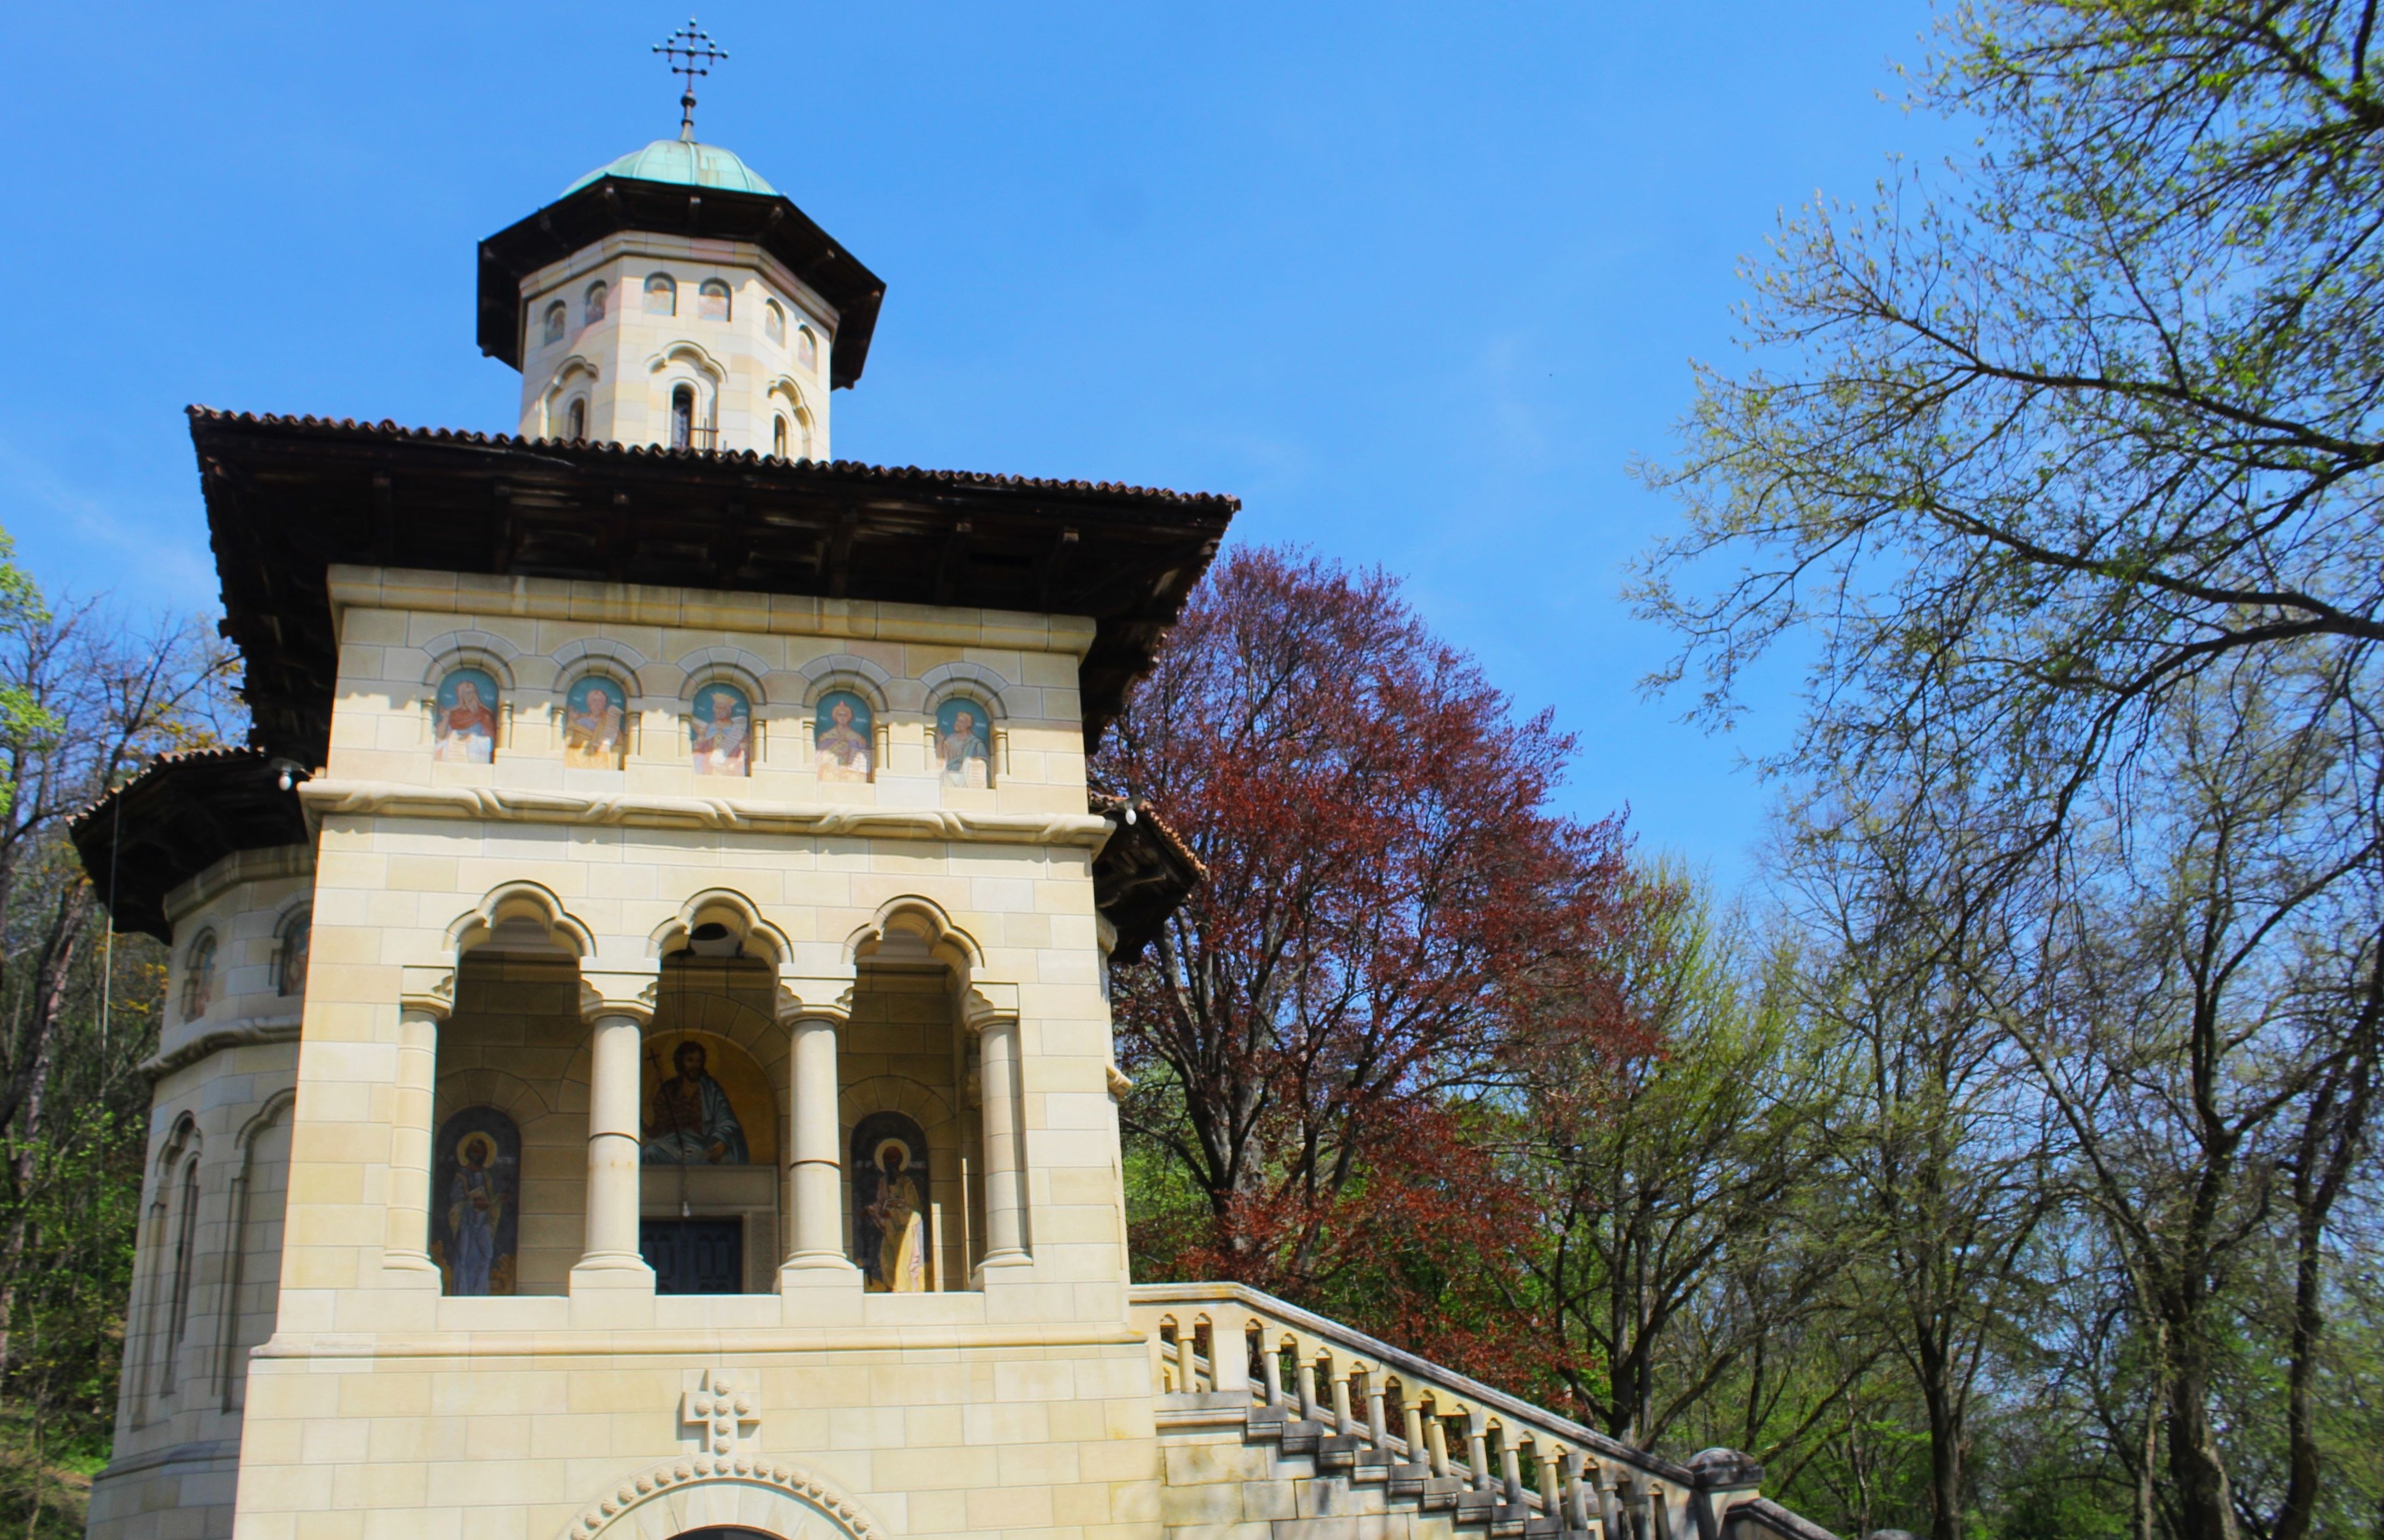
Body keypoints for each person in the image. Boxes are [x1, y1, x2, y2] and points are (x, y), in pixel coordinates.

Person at [642, 1040, 748, 1165]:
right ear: (681, 1062)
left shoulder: (711, 1089)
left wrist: (721, 1141)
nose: (695, 1065)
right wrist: (652, 1085)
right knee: (650, 1152)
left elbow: (726, 1119)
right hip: (670, 1146)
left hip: (701, 1146)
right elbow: (653, 1125)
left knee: (717, 1162)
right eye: (690, 1060)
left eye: (698, 1061)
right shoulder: (669, 1089)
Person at [446, 1132, 505, 1295]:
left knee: (487, 1253)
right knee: (463, 1256)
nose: (478, 1156)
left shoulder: (486, 1176)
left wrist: (497, 1201)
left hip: (483, 1220)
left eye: (481, 1152)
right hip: (466, 1221)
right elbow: (455, 1199)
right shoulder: (462, 1176)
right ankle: (462, 1292)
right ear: (468, 1154)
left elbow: (490, 1197)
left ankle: (480, 1291)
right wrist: (471, 1204)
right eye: (475, 1152)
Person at [864, 1141, 927, 1292]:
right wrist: (870, 1210)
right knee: (886, 1260)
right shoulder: (883, 1182)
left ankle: (905, 1290)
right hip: (890, 1228)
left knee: (904, 1262)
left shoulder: (906, 1182)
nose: (889, 1163)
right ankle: (890, 1288)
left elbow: (914, 1208)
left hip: (906, 1229)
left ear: (899, 1161)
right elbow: (880, 1203)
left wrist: (894, 1210)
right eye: (887, 1159)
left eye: (893, 1159)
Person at [436, 677, 497, 763]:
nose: (472, 696)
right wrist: (446, 718)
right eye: (468, 693)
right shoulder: (453, 713)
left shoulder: (484, 714)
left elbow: (491, 742)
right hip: (454, 750)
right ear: (460, 695)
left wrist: (472, 738)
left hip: (474, 751)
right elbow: (440, 737)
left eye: (473, 692)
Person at [566, 681, 625, 769]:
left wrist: (607, 747)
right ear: (589, 703)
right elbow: (569, 740)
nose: (596, 704)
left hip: (602, 760)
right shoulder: (579, 720)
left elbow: (619, 744)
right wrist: (573, 720)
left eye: (600, 701)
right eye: (594, 701)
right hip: (579, 759)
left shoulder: (610, 722)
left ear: (604, 704)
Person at [815, 697, 872, 782]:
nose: (842, 718)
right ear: (835, 717)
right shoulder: (826, 736)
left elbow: (863, 759)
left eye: (845, 715)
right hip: (832, 772)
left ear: (849, 717)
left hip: (850, 773)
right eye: (840, 715)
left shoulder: (857, 738)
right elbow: (820, 757)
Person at [692, 690, 749, 776]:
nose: (718, 711)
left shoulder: (737, 731)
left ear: (728, 711)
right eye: (717, 708)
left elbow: (744, 752)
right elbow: (699, 749)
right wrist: (699, 743)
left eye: (721, 708)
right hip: (708, 768)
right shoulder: (708, 729)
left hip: (730, 769)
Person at [937, 707, 990, 788]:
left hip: (967, 775)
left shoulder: (975, 742)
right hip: (949, 774)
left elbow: (984, 760)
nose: (957, 724)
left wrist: (970, 761)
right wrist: (940, 743)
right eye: (957, 721)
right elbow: (942, 759)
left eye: (961, 722)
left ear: (968, 725)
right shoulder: (949, 740)